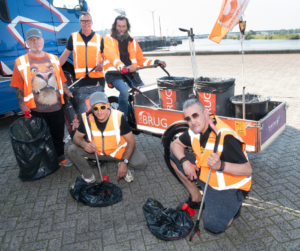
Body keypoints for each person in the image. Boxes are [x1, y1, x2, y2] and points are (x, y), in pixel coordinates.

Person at [170, 99, 252, 235]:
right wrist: (185, 161)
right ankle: (197, 198)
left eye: (195, 115)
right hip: (207, 175)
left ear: (205, 113)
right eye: (188, 119)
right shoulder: (194, 130)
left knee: (213, 226)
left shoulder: (225, 136)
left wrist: (221, 165)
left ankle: (234, 206)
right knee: (174, 157)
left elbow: (247, 170)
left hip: (228, 186)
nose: (193, 121)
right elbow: (174, 144)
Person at [10, 28, 73, 166]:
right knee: (39, 136)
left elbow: (61, 79)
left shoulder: (53, 59)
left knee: (58, 134)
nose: (35, 42)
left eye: (37, 39)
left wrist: (67, 91)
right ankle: (45, 161)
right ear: (27, 43)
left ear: (42, 40)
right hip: (35, 109)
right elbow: (18, 86)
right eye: (31, 40)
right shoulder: (20, 62)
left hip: (56, 106)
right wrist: (22, 106)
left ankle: (60, 157)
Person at [68, 92, 148, 183]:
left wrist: (124, 162)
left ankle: (122, 165)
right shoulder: (87, 119)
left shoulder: (118, 117)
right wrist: (84, 144)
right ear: (92, 108)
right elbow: (76, 137)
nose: (99, 112)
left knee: (142, 162)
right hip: (97, 152)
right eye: (95, 108)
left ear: (108, 105)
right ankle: (88, 176)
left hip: (117, 152)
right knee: (72, 150)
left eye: (102, 107)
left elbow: (131, 142)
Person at [103, 15, 167, 116]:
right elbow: (112, 57)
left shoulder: (132, 41)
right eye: (119, 26)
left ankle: (141, 118)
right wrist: (123, 67)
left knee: (145, 92)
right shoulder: (108, 39)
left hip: (130, 73)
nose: (121, 29)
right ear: (115, 26)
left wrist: (155, 62)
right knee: (125, 92)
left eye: (123, 26)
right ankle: (123, 120)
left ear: (127, 27)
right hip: (114, 73)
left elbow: (140, 59)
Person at [59, 12, 105, 90]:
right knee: (82, 102)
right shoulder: (73, 37)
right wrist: (53, 67)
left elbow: (106, 58)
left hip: (97, 78)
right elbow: (64, 56)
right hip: (80, 79)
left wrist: (102, 65)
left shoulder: (99, 38)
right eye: (84, 21)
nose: (86, 23)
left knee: (98, 101)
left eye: (88, 21)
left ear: (92, 23)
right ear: (80, 23)